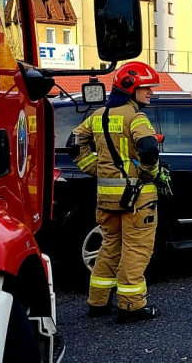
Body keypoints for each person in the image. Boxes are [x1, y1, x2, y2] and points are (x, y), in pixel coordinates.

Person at [71, 61, 166, 323]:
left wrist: (95, 169)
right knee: (136, 251)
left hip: (106, 199)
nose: (151, 93)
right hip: (137, 199)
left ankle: (97, 301)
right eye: (146, 88)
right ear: (129, 89)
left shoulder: (98, 115)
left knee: (110, 247)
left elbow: (73, 144)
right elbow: (148, 148)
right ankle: (131, 305)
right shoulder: (136, 117)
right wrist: (149, 173)